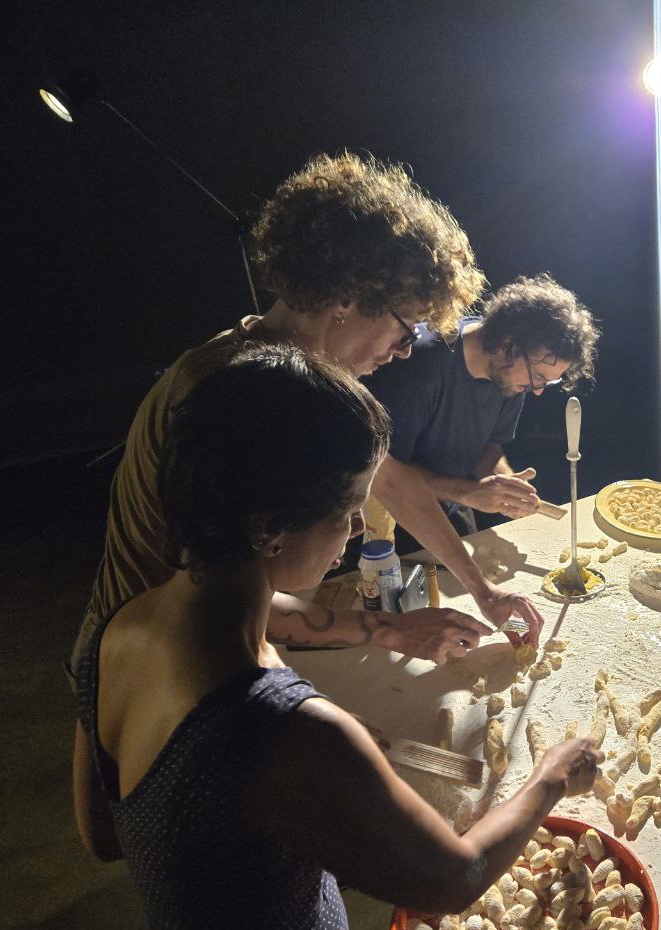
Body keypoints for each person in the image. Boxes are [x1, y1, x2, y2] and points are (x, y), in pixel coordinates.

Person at [72, 345, 602, 930]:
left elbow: (102, 835)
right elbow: (456, 878)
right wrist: (550, 777)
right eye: (348, 509)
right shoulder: (288, 727)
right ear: (267, 527)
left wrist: (253, 819)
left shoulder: (118, 629)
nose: (355, 530)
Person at [73, 151, 543, 679]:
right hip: (139, 669)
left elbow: (393, 481)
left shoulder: (309, 383)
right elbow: (215, 595)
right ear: (347, 296)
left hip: (195, 649)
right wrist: (385, 630)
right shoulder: (242, 394)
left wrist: (484, 591)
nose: (405, 350)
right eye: (406, 326)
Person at [366, 274, 599, 550]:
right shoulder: (422, 365)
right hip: (387, 519)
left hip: (453, 506)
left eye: (548, 382)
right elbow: (385, 472)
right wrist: (470, 492)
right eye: (538, 377)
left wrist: (506, 485)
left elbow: (488, 445)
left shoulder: (510, 376)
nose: (537, 391)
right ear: (506, 344)